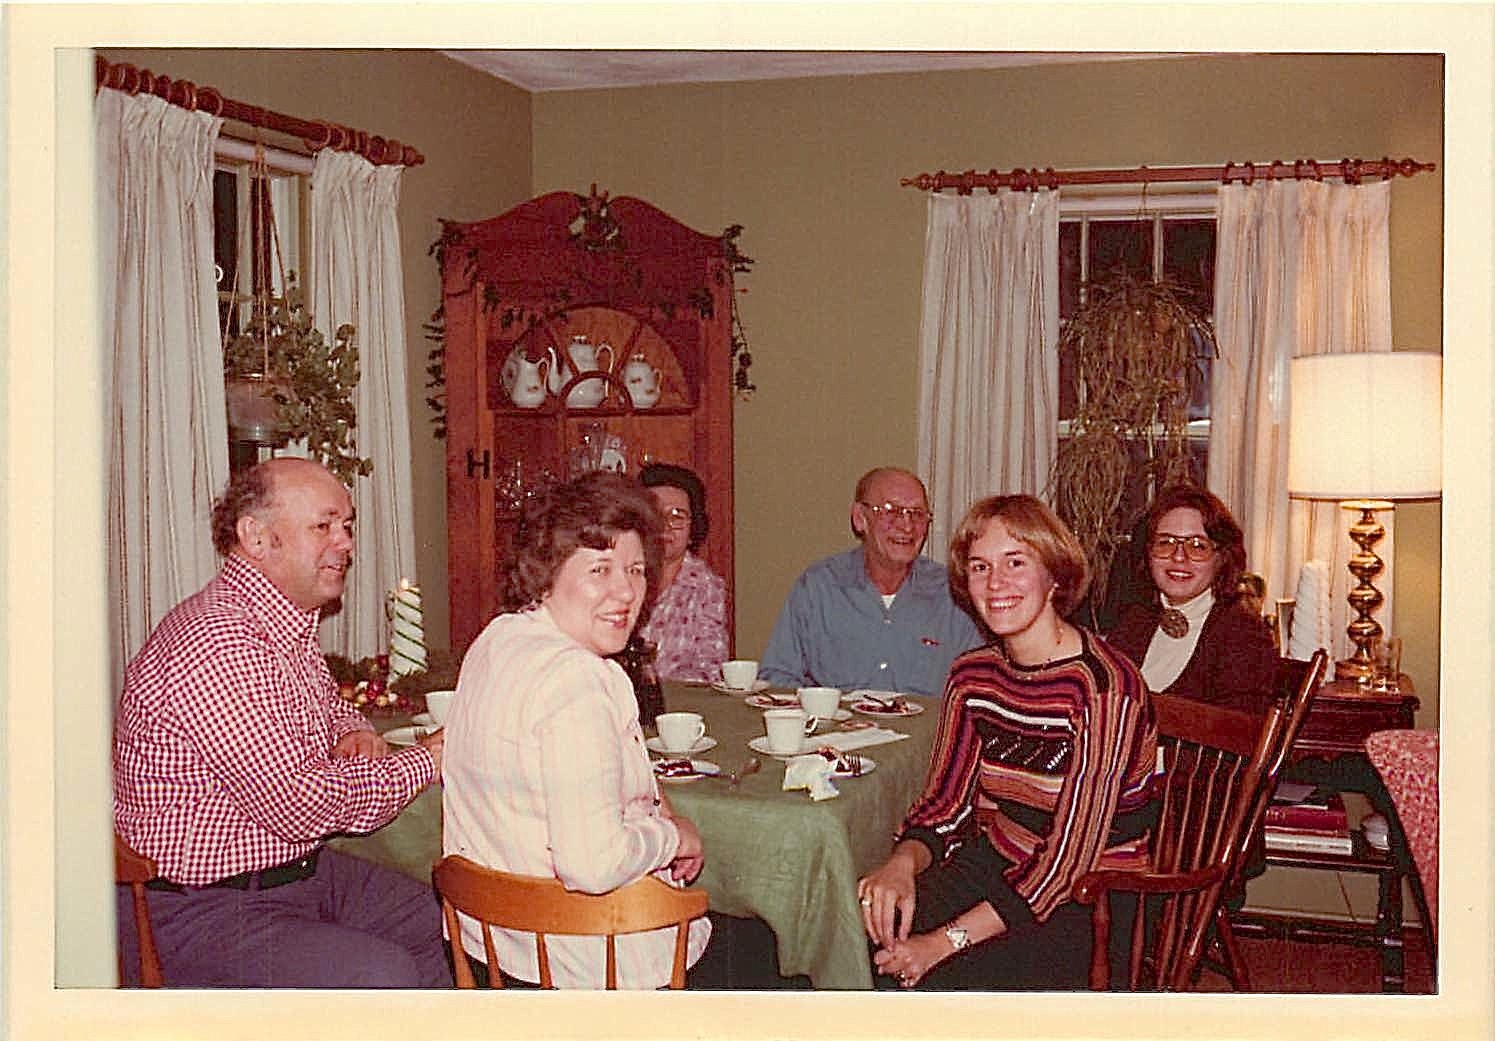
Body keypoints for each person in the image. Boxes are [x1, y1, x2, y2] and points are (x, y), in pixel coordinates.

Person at [112, 458, 451, 988]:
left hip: (293, 876)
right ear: (256, 536)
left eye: (347, 526)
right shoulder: (219, 642)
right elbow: (298, 803)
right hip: (201, 908)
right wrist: (429, 759)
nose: (345, 544)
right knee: (383, 977)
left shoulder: (279, 623)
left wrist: (352, 729)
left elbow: (322, 700)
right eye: (324, 525)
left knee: (448, 923)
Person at [856, 494, 1156, 990]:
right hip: (1000, 858)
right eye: (980, 567)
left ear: (1054, 575)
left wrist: (941, 943)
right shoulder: (973, 676)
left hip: (1090, 894)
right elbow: (944, 806)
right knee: (874, 926)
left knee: (943, 978)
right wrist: (901, 863)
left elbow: (1068, 861)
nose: (995, 583)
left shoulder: (1104, 688)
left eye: (1015, 562)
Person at [441, 471, 711, 989]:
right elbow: (591, 865)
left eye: (635, 570)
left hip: (494, 955)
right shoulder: (582, 680)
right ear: (547, 572)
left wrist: (655, 809)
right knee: (768, 956)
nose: (626, 592)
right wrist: (671, 835)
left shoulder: (497, 640)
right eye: (600, 569)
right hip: (589, 970)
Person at [759, 467, 982, 696]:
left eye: (917, 514)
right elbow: (778, 679)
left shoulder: (953, 595)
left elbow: (980, 685)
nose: (907, 526)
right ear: (860, 519)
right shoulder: (819, 588)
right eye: (891, 511)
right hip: (837, 730)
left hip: (926, 731)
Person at [1106, 485, 1277, 712]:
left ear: (1222, 558)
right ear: (1148, 554)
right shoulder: (1135, 622)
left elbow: (1237, 737)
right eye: (1165, 542)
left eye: (1197, 546)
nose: (1179, 557)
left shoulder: (1243, 636)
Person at [636, 462, 730, 682]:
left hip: (680, 708)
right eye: (656, 515)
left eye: (677, 516)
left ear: (693, 529)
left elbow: (711, 665)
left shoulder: (707, 587)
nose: (666, 526)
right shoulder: (619, 578)